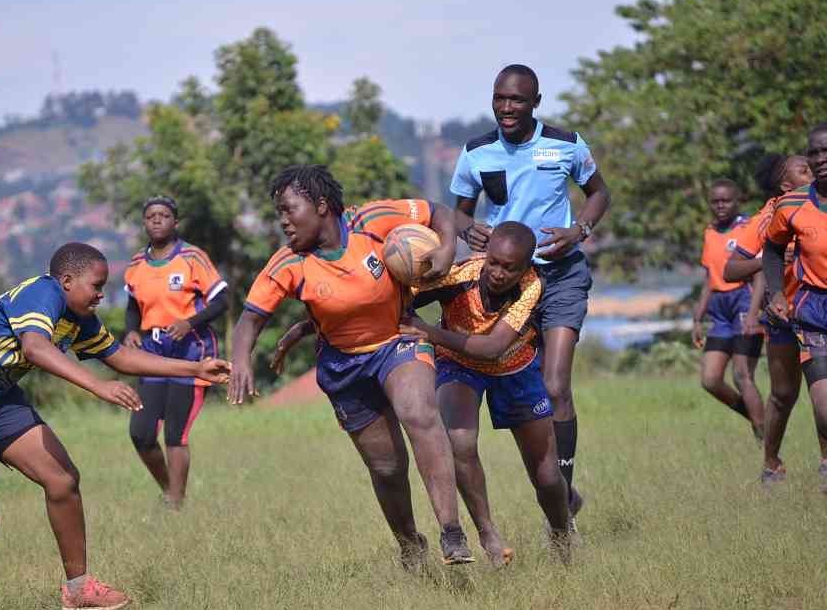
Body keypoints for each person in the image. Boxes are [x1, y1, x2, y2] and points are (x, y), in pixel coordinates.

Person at [0, 242, 230, 610]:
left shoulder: (80, 317)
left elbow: (121, 357)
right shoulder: (43, 292)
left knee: (62, 480)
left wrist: (195, 368)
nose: (102, 294)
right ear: (67, 281)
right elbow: (35, 348)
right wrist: (98, 387)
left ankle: (78, 589)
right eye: (97, 285)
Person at [228, 164, 474, 567]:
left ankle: (452, 532)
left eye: (290, 210)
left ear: (321, 205)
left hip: (398, 340)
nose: (284, 222)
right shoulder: (288, 263)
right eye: (279, 214)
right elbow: (249, 319)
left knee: (419, 413)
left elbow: (437, 211)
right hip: (343, 366)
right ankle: (410, 544)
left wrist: (446, 248)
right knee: (387, 467)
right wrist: (241, 361)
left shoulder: (371, 220)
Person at [449, 64, 610, 530]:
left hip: (560, 276)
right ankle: (564, 498)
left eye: (517, 99)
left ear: (536, 101)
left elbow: (599, 194)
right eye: (499, 98)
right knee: (534, 391)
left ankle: (562, 506)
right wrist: (469, 229)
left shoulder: (566, 143)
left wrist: (580, 229)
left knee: (557, 385)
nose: (506, 107)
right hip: (508, 283)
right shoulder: (476, 152)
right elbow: (458, 213)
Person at [399, 221, 571, 561]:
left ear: (526, 267)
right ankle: (488, 534)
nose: (498, 273)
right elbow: (400, 299)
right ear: (486, 254)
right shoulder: (459, 275)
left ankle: (562, 533)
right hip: (459, 365)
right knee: (460, 441)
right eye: (493, 262)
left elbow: (493, 347)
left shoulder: (532, 286)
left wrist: (430, 332)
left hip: (516, 369)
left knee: (548, 477)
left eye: (510, 267)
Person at [123, 195, 228, 509]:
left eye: (164, 215)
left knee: (174, 434)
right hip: (153, 353)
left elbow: (221, 301)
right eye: (151, 215)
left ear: (175, 222)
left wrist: (188, 322)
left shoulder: (193, 257)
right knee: (141, 433)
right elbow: (132, 306)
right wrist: (131, 331)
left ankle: (175, 503)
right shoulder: (136, 264)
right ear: (145, 222)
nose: (157, 220)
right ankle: (170, 489)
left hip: (191, 351)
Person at [723, 155, 814, 482]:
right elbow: (730, 269)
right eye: (804, 170)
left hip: (819, 311)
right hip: (783, 316)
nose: (814, 170)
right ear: (785, 186)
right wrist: (768, 260)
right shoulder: (766, 218)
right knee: (783, 394)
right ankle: (771, 463)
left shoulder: (819, 202)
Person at [763, 123, 827, 493]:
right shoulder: (791, 205)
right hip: (815, 310)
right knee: (821, 408)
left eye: (826, 152)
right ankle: (772, 462)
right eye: (814, 153)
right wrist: (775, 294)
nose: (820, 160)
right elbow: (771, 249)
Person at [692, 179, 764, 441]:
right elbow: (709, 278)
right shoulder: (710, 231)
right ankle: (758, 417)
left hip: (744, 301)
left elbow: (760, 276)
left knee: (742, 374)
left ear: (738, 201)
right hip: (719, 309)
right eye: (715, 201)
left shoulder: (748, 228)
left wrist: (754, 312)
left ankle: (766, 441)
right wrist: (698, 318)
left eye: (726, 201)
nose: (720, 205)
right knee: (710, 379)